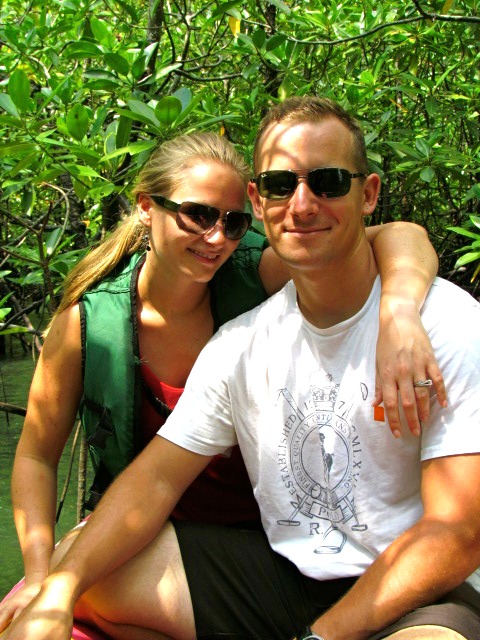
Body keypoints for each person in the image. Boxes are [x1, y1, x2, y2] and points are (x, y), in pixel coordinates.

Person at [0, 114, 455, 639]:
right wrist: (39, 578)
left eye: (234, 222)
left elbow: (397, 236)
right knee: (43, 600)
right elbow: (38, 456)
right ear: (147, 208)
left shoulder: (261, 275)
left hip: (261, 535)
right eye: (196, 215)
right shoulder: (87, 323)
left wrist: (399, 310)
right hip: (155, 537)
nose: (216, 238)